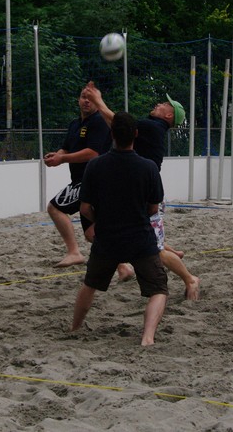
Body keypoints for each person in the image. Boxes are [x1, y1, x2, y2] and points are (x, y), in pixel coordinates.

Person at [83, 81, 201, 301]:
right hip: (140, 194)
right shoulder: (152, 128)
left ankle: (190, 279)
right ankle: (168, 251)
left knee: (155, 251)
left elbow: (118, 123)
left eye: (164, 104)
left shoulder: (152, 127)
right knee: (132, 236)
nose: (159, 104)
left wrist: (98, 101)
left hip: (146, 197)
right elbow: (118, 126)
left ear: (169, 115)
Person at [71, 111, 168, 346]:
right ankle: (147, 337)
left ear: (112, 134)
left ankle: (74, 328)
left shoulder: (95, 165)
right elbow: (153, 208)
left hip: (107, 238)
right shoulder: (148, 167)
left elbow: (84, 208)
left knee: (90, 285)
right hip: (140, 238)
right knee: (158, 290)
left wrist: (100, 221)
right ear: (136, 134)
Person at [44, 85, 112, 268]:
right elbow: (66, 147)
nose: (86, 101)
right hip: (82, 181)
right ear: (78, 100)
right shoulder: (75, 124)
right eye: (83, 97)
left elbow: (93, 153)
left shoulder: (99, 121)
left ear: (98, 101)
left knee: (54, 208)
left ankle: (74, 252)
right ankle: (123, 266)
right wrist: (56, 155)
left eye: (91, 97)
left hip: (93, 181)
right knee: (92, 233)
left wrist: (62, 159)